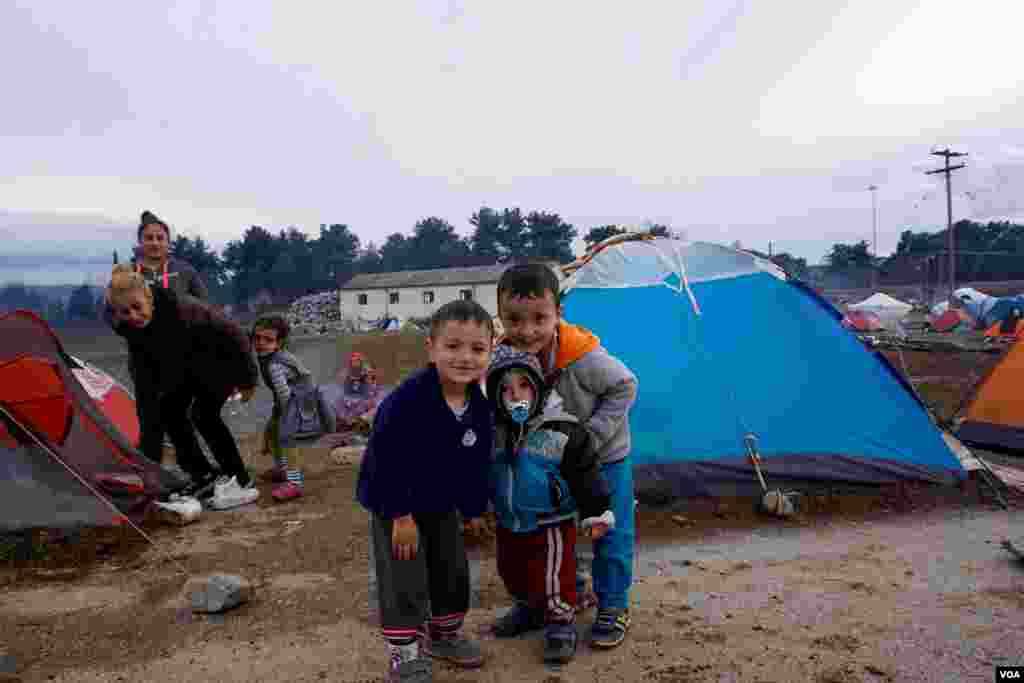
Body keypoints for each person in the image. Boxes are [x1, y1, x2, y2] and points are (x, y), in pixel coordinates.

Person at [496, 262, 638, 650]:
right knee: (544, 534)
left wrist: (591, 437)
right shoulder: (503, 356)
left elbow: (626, 386)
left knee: (609, 531)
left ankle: (613, 605)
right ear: (501, 316)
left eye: (539, 318)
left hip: (605, 458)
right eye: (515, 319)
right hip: (547, 460)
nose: (527, 330)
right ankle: (542, 601)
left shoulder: (583, 357)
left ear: (558, 313)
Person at [356, 300, 494, 682]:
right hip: (396, 506)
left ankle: (445, 635)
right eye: (453, 346)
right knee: (404, 576)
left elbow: (476, 464)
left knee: (451, 568)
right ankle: (405, 652)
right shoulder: (406, 402)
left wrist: (474, 510)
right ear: (431, 348)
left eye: (477, 348)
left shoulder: (479, 407)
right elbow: (385, 461)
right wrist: (400, 516)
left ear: (490, 352)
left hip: (441, 504)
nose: (465, 357)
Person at [485, 344, 615, 664]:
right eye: (506, 390)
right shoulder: (494, 433)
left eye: (524, 385)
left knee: (554, 574)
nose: (516, 396)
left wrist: (597, 513)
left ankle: (560, 621)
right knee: (512, 570)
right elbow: (480, 471)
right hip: (510, 520)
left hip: (551, 520)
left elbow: (585, 473)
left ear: (538, 387)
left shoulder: (562, 430)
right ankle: (529, 609)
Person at [105, 265, 259, 510]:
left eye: (137, 307)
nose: (133, 316)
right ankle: (203, 475)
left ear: (149, 298)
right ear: (116, 312)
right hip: (184, 365)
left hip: (219, 357)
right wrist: (150, 470)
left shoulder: (186, 309)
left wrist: (248, 380)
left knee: (204, 415)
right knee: (167, 411)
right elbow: (147, 406)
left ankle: (240, 478)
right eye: (125, 312)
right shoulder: (130, 331)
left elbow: (235, 333)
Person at [105, 210, 210, 452]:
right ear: (140, 242)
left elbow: (205, 306)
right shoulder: (126, 273)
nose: (154, 243)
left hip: (182, 354)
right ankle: (152, 467)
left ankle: (193, 466)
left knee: (179, 413)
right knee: (149, 415)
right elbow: (109, 311)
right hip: (143, 358)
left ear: (168, 242)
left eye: (160, 238)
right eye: (149, 238)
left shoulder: (184, 270)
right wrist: (130, 331)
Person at [251, 315, 335, 502]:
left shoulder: (274, 365)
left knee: (287, 438)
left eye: (268, 339)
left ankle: (294, 484)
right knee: (274, 430)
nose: (260, 343)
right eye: (257, 338)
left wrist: (283, 417)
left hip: (298, 400)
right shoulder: (267, 357)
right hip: (290, 398)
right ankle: (282, 469)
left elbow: (284, 395)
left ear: (279, 343)